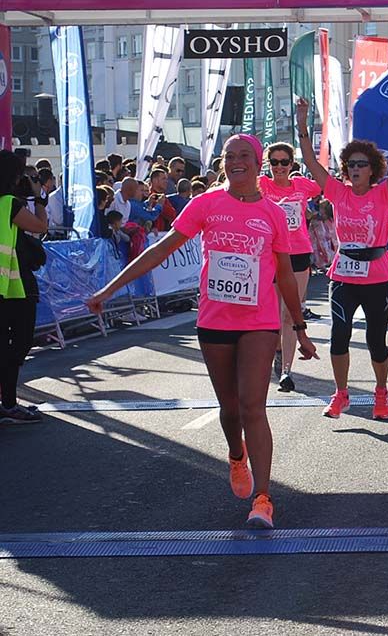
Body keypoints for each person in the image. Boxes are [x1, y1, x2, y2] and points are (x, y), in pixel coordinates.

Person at [86, 135, 319, 529]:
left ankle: (263, 499)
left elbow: (283, 274)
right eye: (229, 156)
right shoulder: (206, 204)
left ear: (258, 162)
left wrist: (299, 327)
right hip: (215, 321)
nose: (236, 162)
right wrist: (110, 290)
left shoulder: (272, 213)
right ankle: (235, 454)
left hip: (259, 322)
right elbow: (161, 251)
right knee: (230, 410)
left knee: (252, 406)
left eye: (244, 156)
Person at [296, 97, 388, 420]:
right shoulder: (338, 192)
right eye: (351, 164)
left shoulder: (383, 192)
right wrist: (303, 126)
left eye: (362, 164)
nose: (355, 169)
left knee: (376, 339)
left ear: (372, 169)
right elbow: (312, 165)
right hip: (344, 273)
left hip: (377, 274)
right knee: (338, 335)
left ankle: (381, 392)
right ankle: (341, 393)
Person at [259, 142, 323, 392]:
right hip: (270, 254)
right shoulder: (262, 185)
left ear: (292, 163)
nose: (279, 167)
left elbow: (322, 182)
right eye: (274, 162)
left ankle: (286, 370)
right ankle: (276, 351)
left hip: (298, 252)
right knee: (273, 314)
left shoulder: (302, 186)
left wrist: (308, 151)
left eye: (284, 162)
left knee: (290, 312)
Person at [0, 150, 49, 424]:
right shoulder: (9, 204)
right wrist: (38, 197)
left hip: (9, 285)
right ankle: (8, 404)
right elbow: (41, 226)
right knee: (17, 346)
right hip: (11, 287)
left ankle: (6, 403)